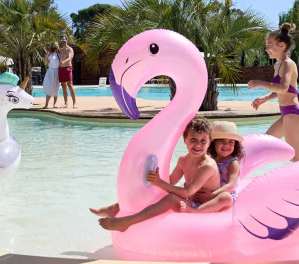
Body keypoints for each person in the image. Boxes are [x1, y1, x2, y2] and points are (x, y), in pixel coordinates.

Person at [91, 116, 219, 232]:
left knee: (171, 198)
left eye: (203, 141)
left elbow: (187, 192)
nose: (198, 145)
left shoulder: (207, 166)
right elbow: (170, 181)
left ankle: (127, 222)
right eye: (193, 139)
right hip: (190, 200)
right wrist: (150, 181)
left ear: (209, 143)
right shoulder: (183, 160)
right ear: (185, 139)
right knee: (154, 190)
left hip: (204, 206)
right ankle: (116, 207)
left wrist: (159, 182)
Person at [248, 23, 299, 161]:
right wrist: (266, 98)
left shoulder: (288, 64)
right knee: (266, 144)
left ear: (281, 45)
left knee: (296, 158)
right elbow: (281, 91)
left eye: (269, 46)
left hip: (293, 113)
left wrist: (260, 83)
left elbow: (283, 88)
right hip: (286, 113)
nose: (266, 49)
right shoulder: (277, 64)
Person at [182, 121, 243, 213]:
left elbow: (231, 185)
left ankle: (195, 211)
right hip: (207, 193)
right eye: (221, 141)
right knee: (184, 187)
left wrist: (212, 195)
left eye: (231, 142)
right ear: (212, 143)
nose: (226, 145)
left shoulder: (233, 162)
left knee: (226, 197)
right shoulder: (209, 159)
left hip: (220, 195)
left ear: (235, 145)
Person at [58, 36, 77, 108]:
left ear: (67, 40)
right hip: (61, 69)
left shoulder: (70, 49)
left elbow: (70, 57)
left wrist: (64, 61)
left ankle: (74, 103)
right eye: (62, 40)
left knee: (70, 85)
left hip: (68, 68)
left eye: (64, 39)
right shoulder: (60, 50)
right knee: (63, 86)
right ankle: (65, 103)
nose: (63, 41)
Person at [42, 42, 61, 109]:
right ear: (52, 46)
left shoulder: (60, 54)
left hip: (57, 72)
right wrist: (46, 56)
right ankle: (46, 104)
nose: (55, 46)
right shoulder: (50, 54)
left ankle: (54, 104)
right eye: (54, 44)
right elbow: (46, 63)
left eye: (56, 44)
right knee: (49, 87)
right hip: (50, 71)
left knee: (56, 88)